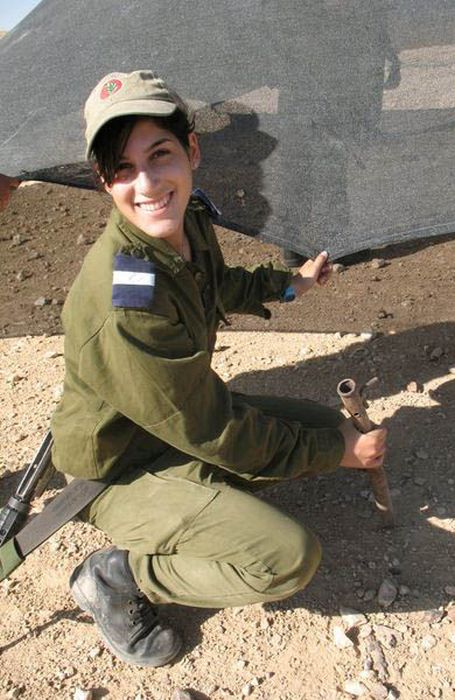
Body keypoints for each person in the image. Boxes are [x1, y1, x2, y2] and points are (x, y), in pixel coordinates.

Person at [47, 70, 387, 667]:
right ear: (104, 181)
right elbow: (210, 428)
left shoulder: (186, 223)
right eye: (123, 170)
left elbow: (215, 284)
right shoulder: (124, 298)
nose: (147, 184)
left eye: (160, 155)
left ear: (192, 151)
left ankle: (216, 495)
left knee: (321, 424)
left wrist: (289, 285)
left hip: (169, 425)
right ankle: (118, 576)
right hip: (119, 466)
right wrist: (336, 456)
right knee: (288, 555)